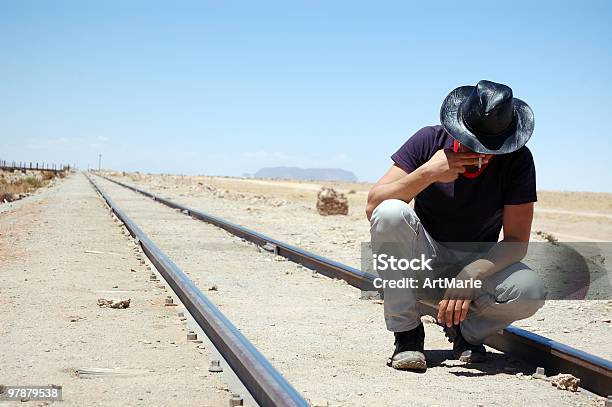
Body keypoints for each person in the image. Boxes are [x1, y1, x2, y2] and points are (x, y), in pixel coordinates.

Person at [367, 80, 547, 370]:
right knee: (390, 213)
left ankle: (466, 333)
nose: (481, 155)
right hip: (422, 264)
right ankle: (407, 335)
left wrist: (471, 274)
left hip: (477, 265)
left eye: (492, 149)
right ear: (457, 129)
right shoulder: (428, 141)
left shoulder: (518, 162)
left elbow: (516, 241)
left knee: (530, 289)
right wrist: (428, 173)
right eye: (472, 144)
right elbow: (373, 206)